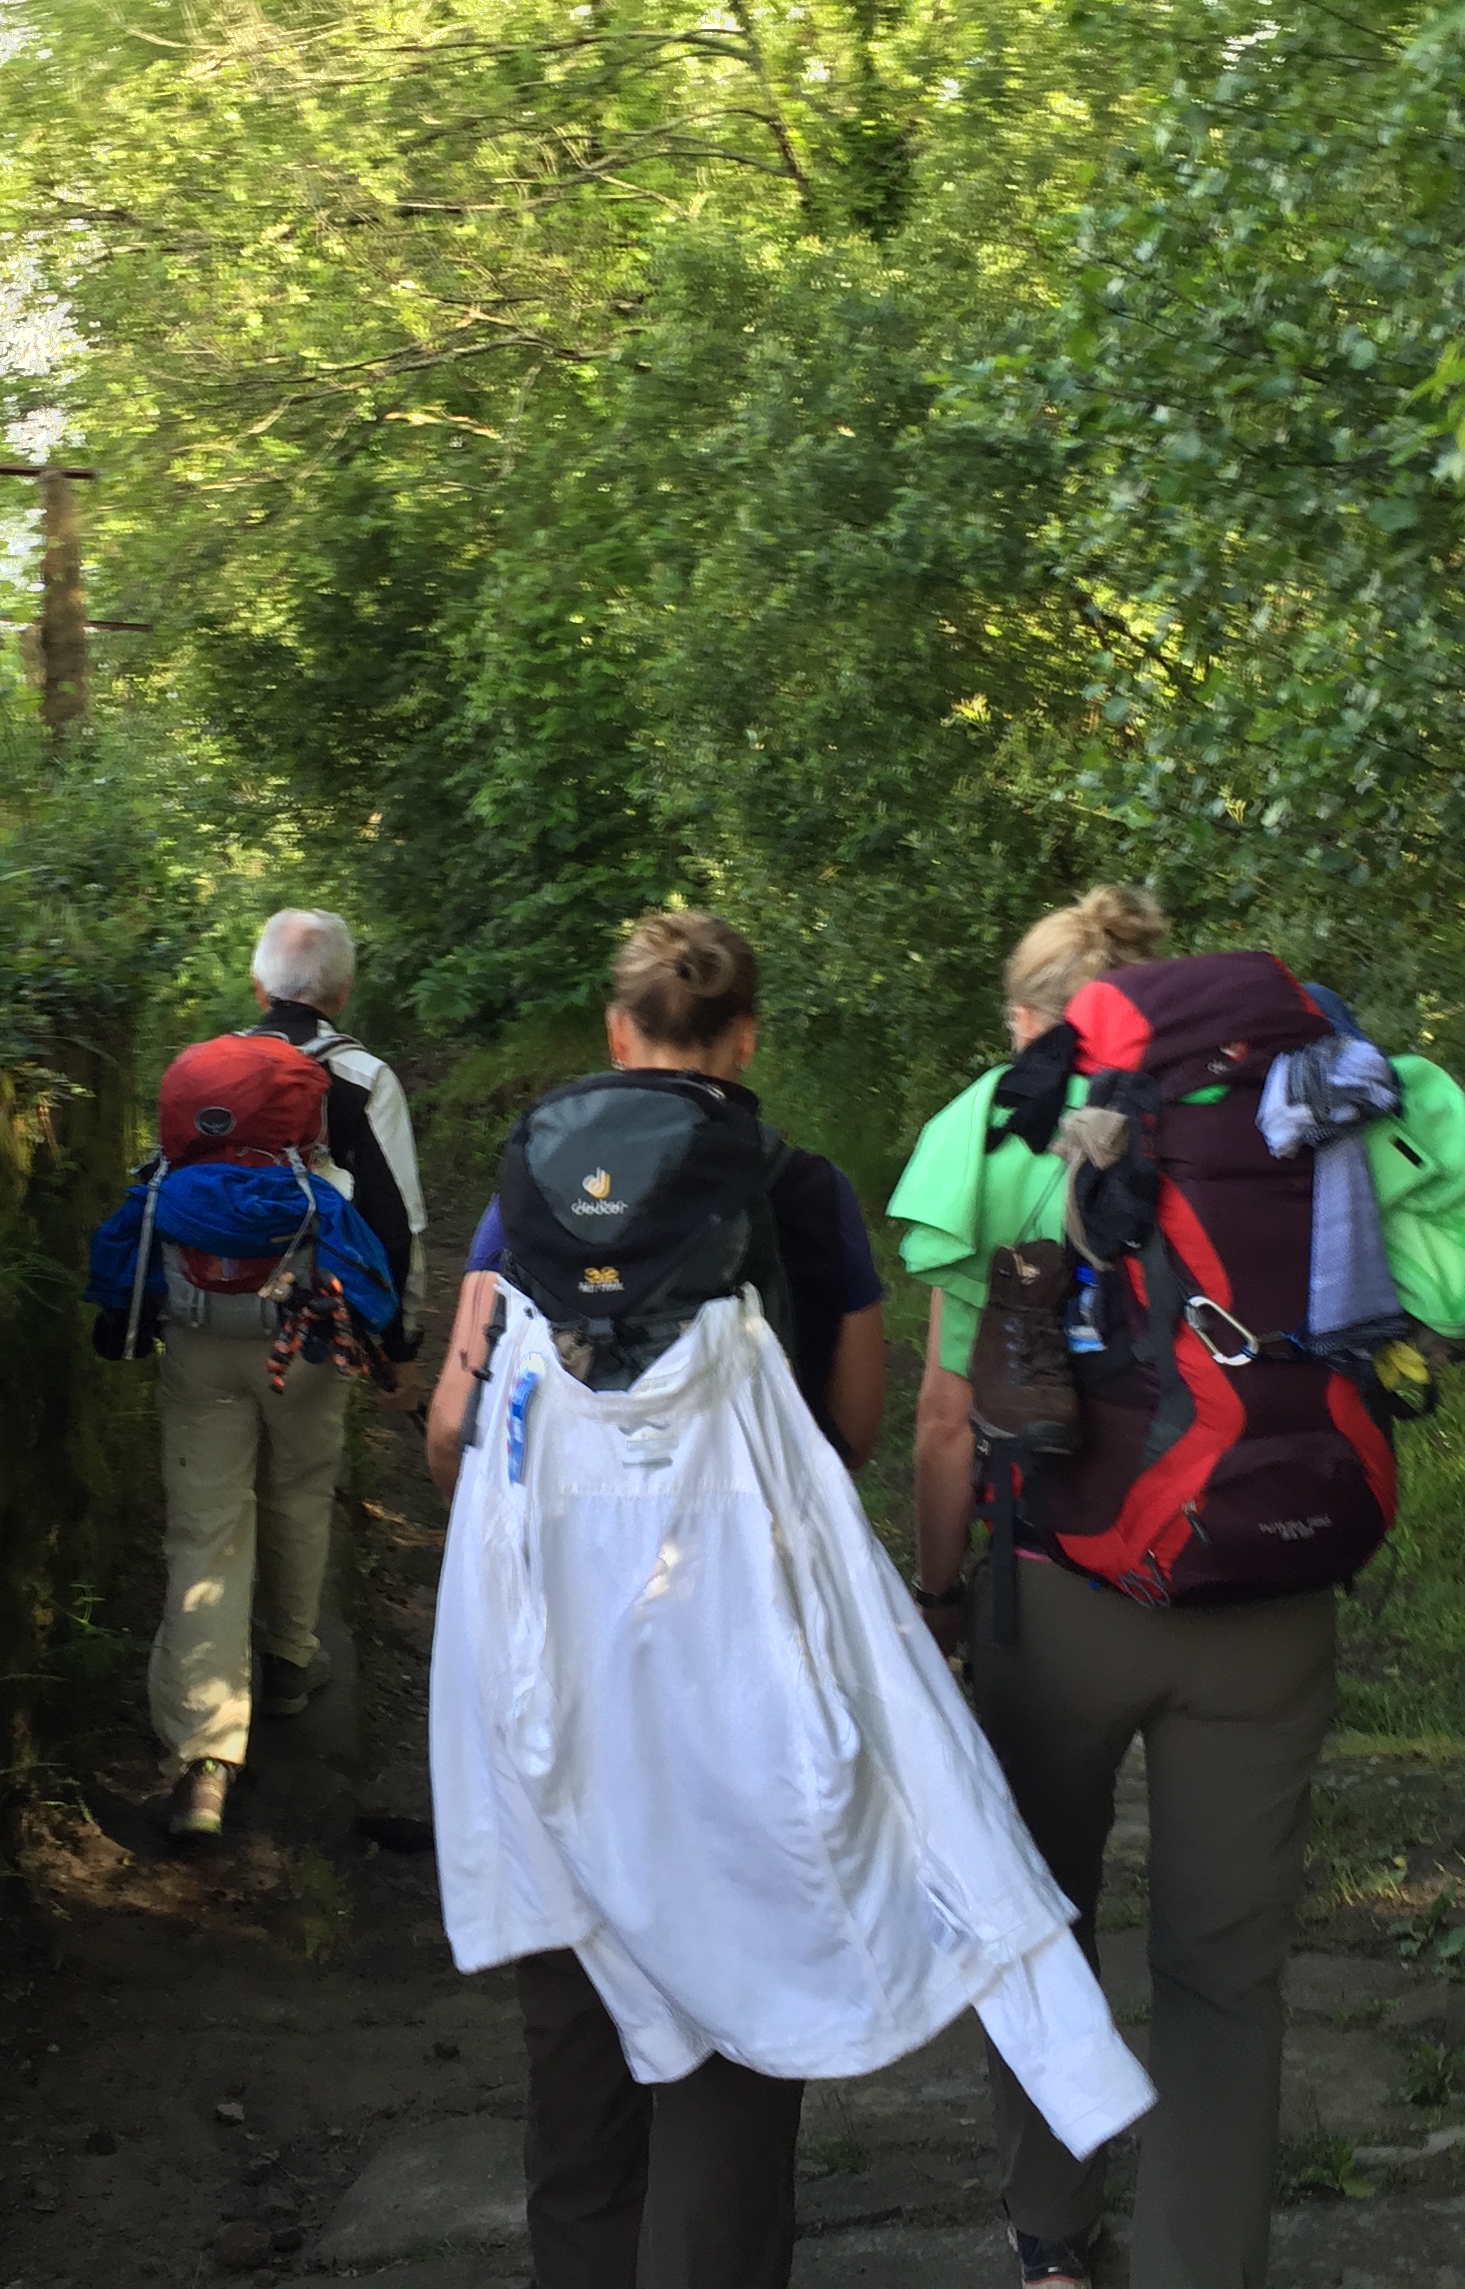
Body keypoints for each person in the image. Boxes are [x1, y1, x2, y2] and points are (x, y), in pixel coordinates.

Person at [423, 911, 891, 2289]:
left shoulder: (533, 1197)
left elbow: (453, 1426)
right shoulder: (804, 1193)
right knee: (743, 1995)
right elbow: (854, 1429)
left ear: (617, 1035)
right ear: (746, 1041)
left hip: (566, 1661)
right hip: (746, 1660)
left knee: (576, 2031)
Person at [891, 887, 1350, 2289]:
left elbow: (949, 1417)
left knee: (1042, 1924)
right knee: (1227, 1969)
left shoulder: (998, 1121)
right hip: (1268, 1579)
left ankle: (1052, 2234)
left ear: (1040, 1017)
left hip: (1060, 1590)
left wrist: (940, 1594)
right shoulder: (1294, 1105)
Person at [147, 908, 426, 1841]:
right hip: (309, 1331)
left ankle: (205, 1756)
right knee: (300, 1489)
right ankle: (291, 1663)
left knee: (204, 1527)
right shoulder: (363, 1078)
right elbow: (395, 1224)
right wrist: (399, 1350)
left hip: (197, 1320)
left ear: (257, 986)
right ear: (343, 991)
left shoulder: (203, 1073)